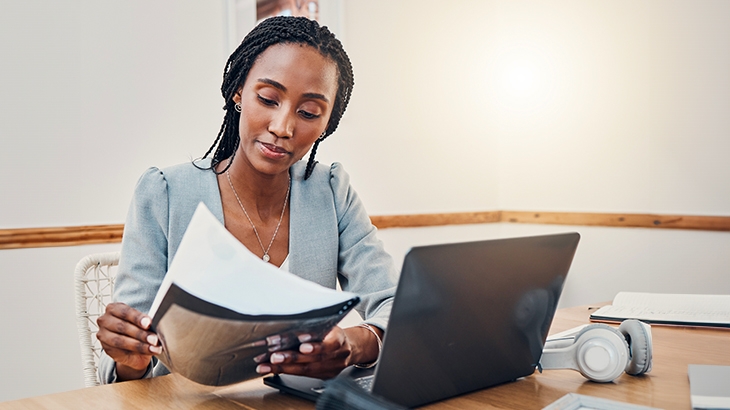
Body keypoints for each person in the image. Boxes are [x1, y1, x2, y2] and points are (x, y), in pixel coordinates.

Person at [96, 16, 397, 384]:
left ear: (327, 123)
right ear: (238, 92)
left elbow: (395, 305)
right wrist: (130, 357)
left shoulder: (331, 192)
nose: (282, 128)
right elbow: (128, 369)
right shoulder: (165, 193)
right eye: (268, 99)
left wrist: (357, 342)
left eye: (308, 113)